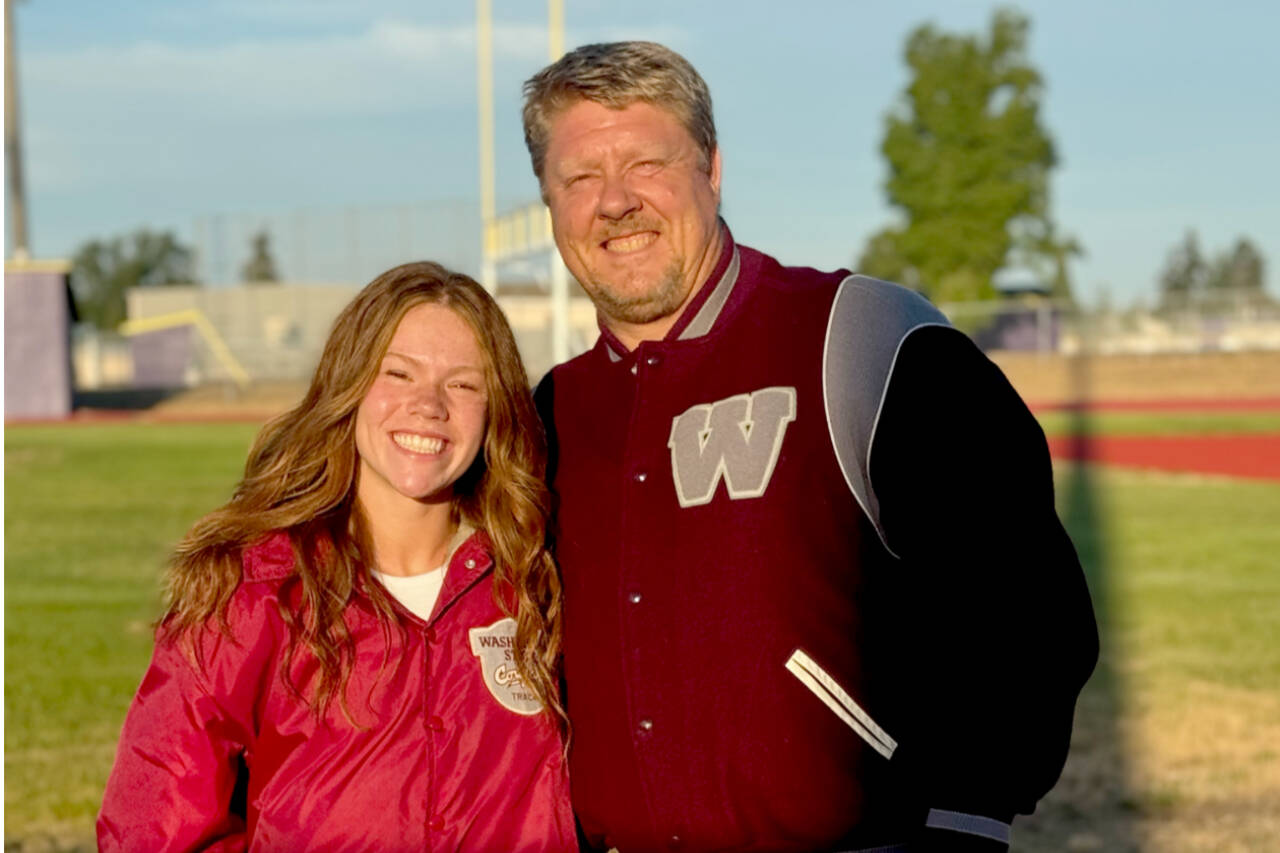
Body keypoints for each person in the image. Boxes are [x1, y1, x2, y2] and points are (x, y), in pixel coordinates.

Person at [524, 41, 1098, 852]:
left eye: (647, 163)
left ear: (712, 168)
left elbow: (1026, 604)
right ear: (549, 201)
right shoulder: (548, 413)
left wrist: (964, 822)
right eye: (581, 177)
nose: (615, 201)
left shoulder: (861, 336)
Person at [97, 262, 577, 852]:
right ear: (349, 386)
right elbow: (153, 829)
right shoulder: (256, 590)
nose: (428, 404)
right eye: (398, 373)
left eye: (462, 384)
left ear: (495, 407)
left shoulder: (537, 578)